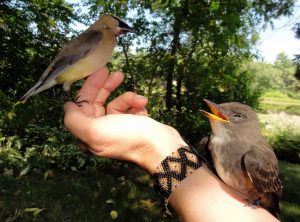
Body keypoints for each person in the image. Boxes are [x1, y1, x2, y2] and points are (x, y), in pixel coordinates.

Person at [64, 67, 279, 222]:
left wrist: (258, 205)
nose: (219, 112)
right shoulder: (211, 143)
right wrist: (154, 143)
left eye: (237, 116)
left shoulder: (256, 155)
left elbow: (269, 196)